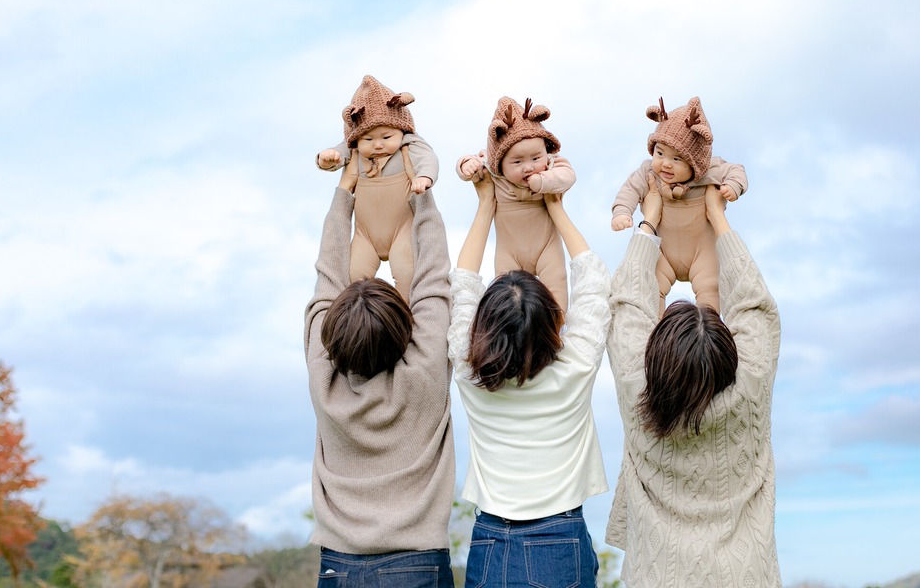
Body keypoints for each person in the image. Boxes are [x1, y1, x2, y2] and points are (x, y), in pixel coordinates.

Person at [605, 176, 781, 587]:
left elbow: (627, 302)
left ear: (653, 357)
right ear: (729, 353)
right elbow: (756, 306)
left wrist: (648, 224)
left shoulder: (636, 390)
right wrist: (717, 218)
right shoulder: (752, 384)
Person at [447, 172, 610, 588]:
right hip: (561, 537)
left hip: (489, 540)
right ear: (552, 321)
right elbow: (593, 283)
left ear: (483, 326)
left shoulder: (468, 372)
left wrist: (485, 206)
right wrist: (556, 210)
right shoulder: (576, 366)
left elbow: (462, 285)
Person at [304, 156, 456, 587]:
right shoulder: (425, 370)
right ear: (406, 327)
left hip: (338, 566)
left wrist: (345, 193)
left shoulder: (323, 379)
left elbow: (326, 277)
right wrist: (422, 201)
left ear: (329, 332)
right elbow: (433, 279)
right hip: (417, 562)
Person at [610, 96, 748, 310]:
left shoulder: (709, 171)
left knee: (711, 288)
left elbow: (736, 169)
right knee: (649, 288)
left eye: (677, 159)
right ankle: (657, 331)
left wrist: (733, 185)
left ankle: (705, 331)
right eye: (660, 153)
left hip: (701, 249)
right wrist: (622, 212)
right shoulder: (648, 172)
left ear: (696, 164)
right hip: (662, 249)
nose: (665, 164)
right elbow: (630, 189)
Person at [316, 74, 439, 301]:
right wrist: (327, 158)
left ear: (402, 129)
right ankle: (359, 317)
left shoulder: (408, 145)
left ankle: (405, 316)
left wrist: (424, 178)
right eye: (368, 140)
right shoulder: (354, 152)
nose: (378, 144)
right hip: (365, 235)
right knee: (353, 277)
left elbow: (428, 158)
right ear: (356, 139)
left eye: (386, 136)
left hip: (401, 230)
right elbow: (338, 154)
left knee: (408, 275)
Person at [456, 96, 575, 308]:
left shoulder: (550, 166)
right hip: (509, 251)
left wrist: (544, 181)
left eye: (535, 158)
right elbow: (471, 162)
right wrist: (468, 166)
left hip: (546, 245)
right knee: (506, 293)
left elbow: (568, 176)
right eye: (518, 162)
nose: (528, 167)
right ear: (499, 162)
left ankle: (557, 326)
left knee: (556, 286)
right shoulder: (494, 172)